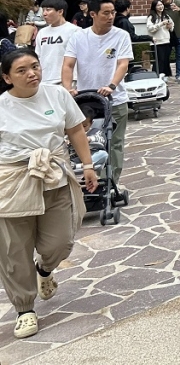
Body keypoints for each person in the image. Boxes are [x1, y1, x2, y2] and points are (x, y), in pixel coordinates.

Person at [0, 50, 98, 340]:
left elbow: (75, 130)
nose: (32, 73)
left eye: (35, 66)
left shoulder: (57, 95)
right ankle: (25, 309)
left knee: (61, 241)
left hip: (54, 175)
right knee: (13, 250)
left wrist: (88, 165)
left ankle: (44, 270)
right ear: (6, 78)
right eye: (22, 70)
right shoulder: (2, 106)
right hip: (12, 181)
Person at [62, 0, 132, 189]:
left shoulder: (121, 36)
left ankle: (112, 183)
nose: (111, 17)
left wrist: (112, 85)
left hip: (114, 99)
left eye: (113, 13)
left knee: (115, 143)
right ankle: (90, 179)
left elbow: (123, 64)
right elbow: (68, 64)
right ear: (93, 14)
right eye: (106, 13)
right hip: (87, 100)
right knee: (87, 142)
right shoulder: (79, 37)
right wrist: (67, 88)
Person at [35, 0, 79, 85]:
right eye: (43, 10)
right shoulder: (42, 32)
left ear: (60, 12)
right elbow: (38, 56)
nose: (44, 13)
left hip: (67, 80)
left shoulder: (75, 31)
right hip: (45, 80)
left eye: (48, 10)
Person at [146, 0, 175, 80]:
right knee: (159, 60)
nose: (160, 7)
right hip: (157, 42)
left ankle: (165, 75)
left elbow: (172, 26)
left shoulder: (166, 16)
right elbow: (151, 29)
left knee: (166, 60)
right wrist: (161, 24)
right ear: (154, 7)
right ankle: (157, 75)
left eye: (161, 5)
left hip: (166, 40)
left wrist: (170, 27)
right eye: (158, 5)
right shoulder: (152, 17)